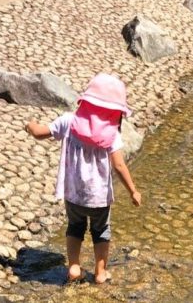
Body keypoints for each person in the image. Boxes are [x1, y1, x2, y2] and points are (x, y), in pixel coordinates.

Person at [25, 73, 141, 284]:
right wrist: (133, 191)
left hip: (73, 194)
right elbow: (119, 165)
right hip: (99, 198)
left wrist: (31, 126)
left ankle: (74, 268)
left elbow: (41, 133)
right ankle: (100, 272)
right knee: (101, 230)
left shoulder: (69, 121)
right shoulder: (112, 135)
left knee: (75, 227)